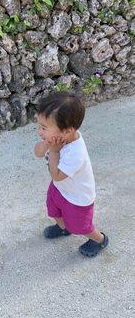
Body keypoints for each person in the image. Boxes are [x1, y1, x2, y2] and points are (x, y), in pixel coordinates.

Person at [34, 91, 108, 257]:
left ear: (67, 131)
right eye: (39, 126)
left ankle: (99, 239)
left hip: (77, 198)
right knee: (53, 210)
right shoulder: (54, 138)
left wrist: (54, 152)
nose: (39, 131)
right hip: (60, 188)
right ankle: (62, 228)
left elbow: (57, 175)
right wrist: (46, 143)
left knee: (80, 226)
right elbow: (38, 153)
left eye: (44, 128)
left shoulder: (76, 152)